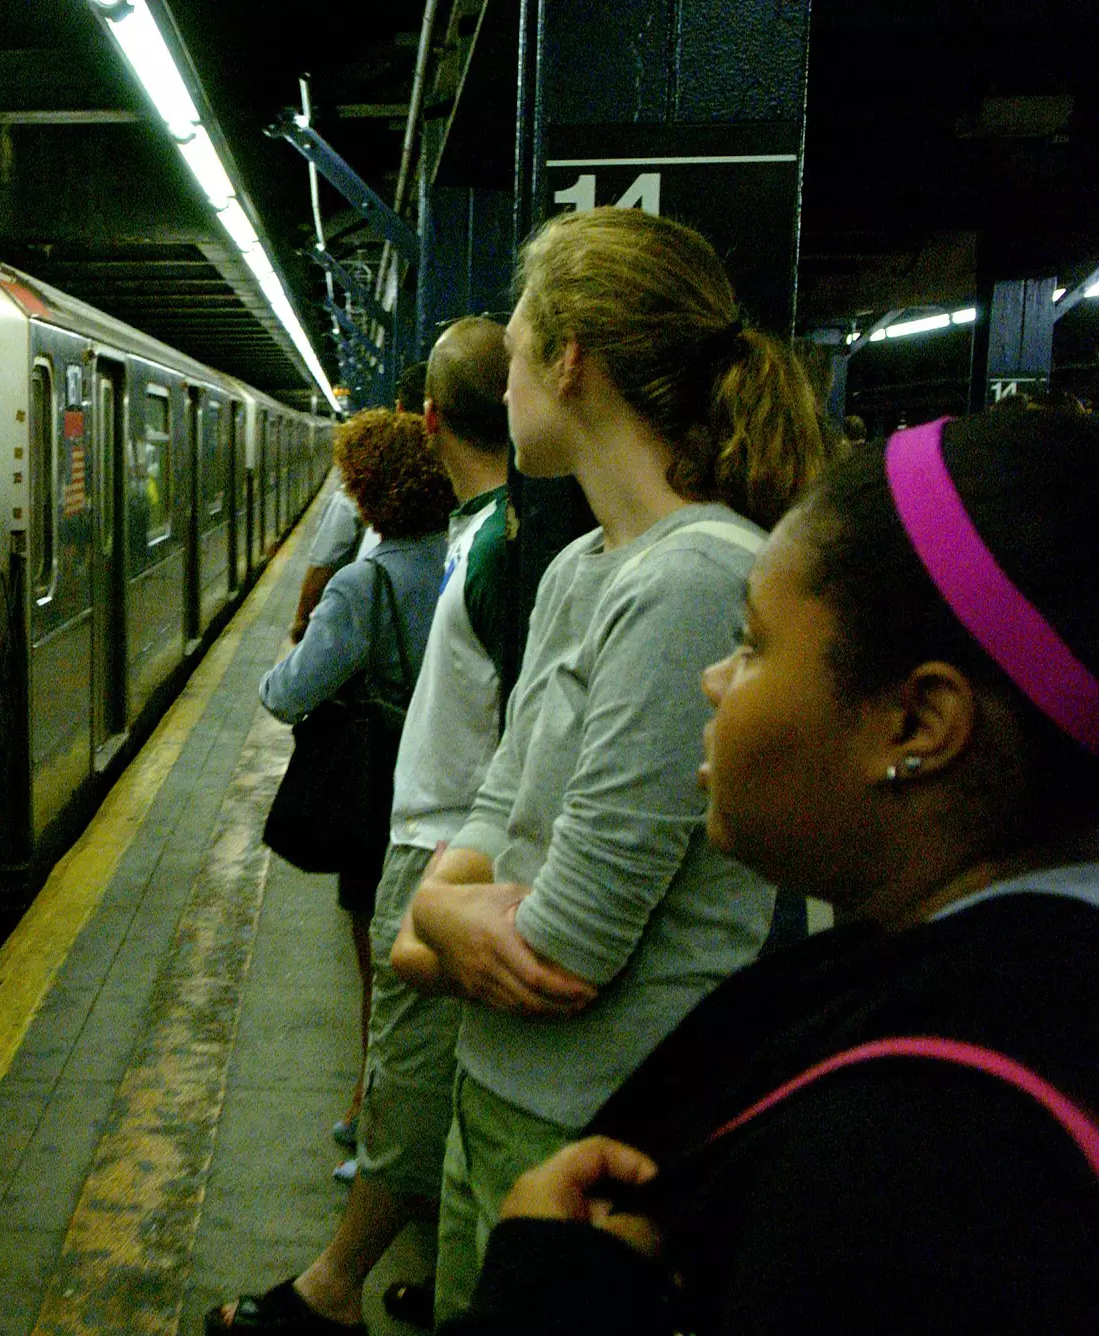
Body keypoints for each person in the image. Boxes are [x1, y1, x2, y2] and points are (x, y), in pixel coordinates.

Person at [444, 405, 1099, 1333]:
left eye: (751, 644)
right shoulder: (1005, 1002)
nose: (712, 679)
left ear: (915, 726)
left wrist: (549, 1296)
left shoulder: (908, 1163)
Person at [392, 206, 833, 1323]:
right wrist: (448, 919)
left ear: (571, 359)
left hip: (593, 1123)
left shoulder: (690, 580)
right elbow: (497, 804)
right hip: (502, 1089)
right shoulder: (584, 566)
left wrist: (434, 919)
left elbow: (565, 948)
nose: (505, 385)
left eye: (522, 338)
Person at [213, 318, 513, 1335]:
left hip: (418, 832)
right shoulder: (492, 546)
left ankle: (334, 1281)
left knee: (402, 1034)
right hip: (458, 835)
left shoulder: (430, 567)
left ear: (429, 427)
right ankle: (437, 1256)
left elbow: (288, 692)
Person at [262, 407, 455, 1156]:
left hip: (382, 796)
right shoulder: (467, 560)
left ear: (368, 496)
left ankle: (377, 1125)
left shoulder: (362, 585)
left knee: (384, 972)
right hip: (460, 791)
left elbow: (285, 694)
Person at [289, 365, 428, 642]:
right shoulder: (451, 493)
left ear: (398, 409)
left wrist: (302, 624)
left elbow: (323, 564)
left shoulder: (357, 493)